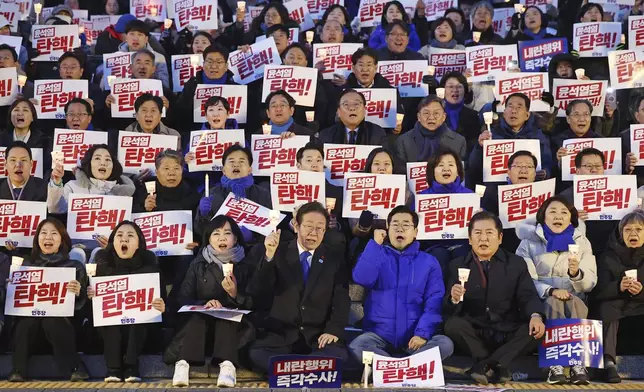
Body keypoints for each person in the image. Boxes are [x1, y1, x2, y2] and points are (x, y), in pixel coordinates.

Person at [444, 211, 545, 385]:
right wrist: (453, 299)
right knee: (452, 325)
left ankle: (483, 366)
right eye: (477, 233)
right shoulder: (457, 264)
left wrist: (536, 315)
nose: (483, 238)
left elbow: (527, 296)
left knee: (536, 330)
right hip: (475, 332)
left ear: (500, 237)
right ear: (469, 239)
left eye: (489, 233)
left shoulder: (516, 263)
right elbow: (447, 309)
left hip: (507, 329)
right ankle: (498, 365)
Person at [247, 201, 350, 373]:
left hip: (317, 337)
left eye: (320, 228)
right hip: (281, 335)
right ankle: (308, 369)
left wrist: (333, 330)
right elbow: (258, 289)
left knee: (339, 356)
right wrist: (269, 256)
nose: (313, 233)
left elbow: (341, 299)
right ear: (296, 226)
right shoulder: (277, 251)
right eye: (308, 226)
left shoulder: (334, 258)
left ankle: (290, 368)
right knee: (256, 353)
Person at [349, 205, 454, 362]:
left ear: (416, 232)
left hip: (414, 337)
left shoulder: (429, 262)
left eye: (406, 225)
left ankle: (391, 367)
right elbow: (362, 278)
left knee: (445, 344)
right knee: (357, 346)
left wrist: (422, 334)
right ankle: (406, 367)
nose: (400, 229)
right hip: (379, 335)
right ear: (387, 228)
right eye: (395, 225)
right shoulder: (376, 253)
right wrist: (374, 245)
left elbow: (434, 302)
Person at [516, 196, 597, 385]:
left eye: (564, 212)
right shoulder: (528, 243)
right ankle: (556, 364)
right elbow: (525, 281)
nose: (558, 216)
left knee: (574, 302)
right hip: (540, 298)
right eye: (552, 211)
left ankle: (577, 364)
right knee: (554, 302)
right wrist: (551, 290)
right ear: (543, 217)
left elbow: (590, 282)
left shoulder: (582, 243)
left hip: (574, 296)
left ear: (571, 218)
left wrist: (576, 273)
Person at [167, 216, 255, 388]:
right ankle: (183, 364)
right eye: (216, 233)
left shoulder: (247, 264)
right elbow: (183, 297)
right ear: (208, 239)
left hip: (233, 327)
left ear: (235, 238)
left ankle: (228, 366)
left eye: (227, 233)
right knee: (198, 316)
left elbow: (254, 301)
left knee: (227, 316)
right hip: (201, 325)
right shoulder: (198, 264)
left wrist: (235, 294)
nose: (222, 238)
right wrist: (204, 303)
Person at [9, 218, 89, 382]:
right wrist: (12, 288)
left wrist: (79, 293)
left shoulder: (74, 266)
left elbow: (83, 310)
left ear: (62, 239)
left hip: (62, 332)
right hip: (31, 333)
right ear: (37, 239)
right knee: (26, 322)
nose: (48, 237)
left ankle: (76, 367)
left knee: (52, 320)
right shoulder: (26, 265)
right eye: (43, 233)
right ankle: (18, 369)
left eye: (54, 233)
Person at [88, 221, 165, 382]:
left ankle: (131, 366)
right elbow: (91, 314)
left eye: (130, 236)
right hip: (109, 332)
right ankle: (113, 368)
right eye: (119, 236)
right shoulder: (101, 268)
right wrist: (90, 297)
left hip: (142, 333)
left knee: (140, 316)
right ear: (113, 242)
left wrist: (162, 306)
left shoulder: (150, 268)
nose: (124, 240)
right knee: (110, 319)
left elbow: (163, 303)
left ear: (138, 243)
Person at [47, 144, 137, 252]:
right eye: (97, 158)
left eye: (108, 160)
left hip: (111, 250)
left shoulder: (123, 193)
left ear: (114, 166)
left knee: (99, 252)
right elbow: (55, 208)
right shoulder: (73, 186)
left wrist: (113, 245)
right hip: (75, 248)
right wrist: (56, 183)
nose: (103, 163)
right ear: (89, 163)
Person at [592, 210, 644, 383]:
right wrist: (618, 287)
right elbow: (598, 290)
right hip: (617, 303)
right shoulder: (608, 255)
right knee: (607, 308)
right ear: (621, 233)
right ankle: (609, 363)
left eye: (639, 229)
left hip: (640, 302)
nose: (633, 234)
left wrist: (641, 291)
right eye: (628, 230)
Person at [468, 93, 552, 188]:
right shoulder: (491, 135)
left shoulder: (538, 136)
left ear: (527, 115)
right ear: (504, 113)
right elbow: (474, 167)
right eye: (510, 106)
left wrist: (545, 172)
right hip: (496, 190)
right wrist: (479, 147)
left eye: (519, 107)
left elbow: (548, 163)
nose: (513, 111)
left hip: (529, 188)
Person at [194, 145, 272, 239]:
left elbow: (271, 229)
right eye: (231, 161)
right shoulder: (211, 194)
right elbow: (200, 231)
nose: (236, 165)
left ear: (249, 170)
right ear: (223, 170)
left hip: (253, 250)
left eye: (241, 161)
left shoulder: (263, 194)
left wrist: (252, 238)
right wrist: (203, 215)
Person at [558, 148, 620, 256]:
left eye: (598, 166)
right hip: (576, 251)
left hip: (610, 250)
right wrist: (570, 218)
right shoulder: (564, 198)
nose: (594, 170)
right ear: (577, 171)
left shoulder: (617, 192)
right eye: (588, 166)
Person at [481, 150, 539, 253]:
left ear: (535, 174)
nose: (523, 170)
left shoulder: (544, 193)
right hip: (504, 248)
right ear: (508, 171)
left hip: (535, 248)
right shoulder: (493, 194)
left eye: (529, 167)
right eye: (518, 166)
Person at [395, 96, 467, 162]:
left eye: (436, 113)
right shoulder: (403, 141)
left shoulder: (459, 141)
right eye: (426, 113)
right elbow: (401, 172)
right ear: (419, 117)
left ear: (444, 117)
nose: (431, 117)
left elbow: (461, 172)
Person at [317, 89, 388, 147]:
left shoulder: (377, 133)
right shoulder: (326, 136)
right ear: (338, 112)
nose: (351, 108)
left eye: (356, 104)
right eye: (346, 104)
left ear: (364, 109)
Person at [117, 20, 170, 88]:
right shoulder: (116, 57)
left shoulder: (158, 58)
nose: (135, 38)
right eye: (132, 34)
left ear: (146, 39)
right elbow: (104, 86)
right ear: (126, 37)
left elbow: (165, 86)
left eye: (140, 34)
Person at [438, 72, 479, 153]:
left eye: (459, 87)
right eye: (450, 86)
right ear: (443, 90)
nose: (455, 90)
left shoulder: (473, 116)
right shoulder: (435, 115)